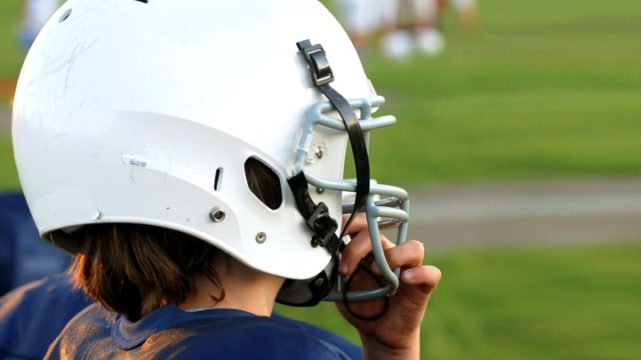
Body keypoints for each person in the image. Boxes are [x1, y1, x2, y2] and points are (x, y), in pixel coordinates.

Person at [12, 0, 440, 359]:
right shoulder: (285, 353)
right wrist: (393, 351)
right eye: (321, 149)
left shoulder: (80, 337)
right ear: (245, 168)